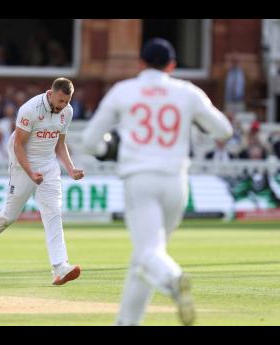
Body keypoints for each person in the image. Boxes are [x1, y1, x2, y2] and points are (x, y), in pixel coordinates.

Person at [82, 38, 233, 326]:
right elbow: (223, 130)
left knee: (149, 252)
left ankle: (173, 279)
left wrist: (107, 149)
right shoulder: (187, 92)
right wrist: (196, 119)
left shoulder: (124, 91)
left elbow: (90, 141)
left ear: (140, 63)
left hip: (139, 178)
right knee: (147, 252)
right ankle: (127, 322)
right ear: (172, 65)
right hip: (176, 181)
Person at [0, 78, 84, 286]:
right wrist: (30, 172)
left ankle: (60, 267)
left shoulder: (67, 112)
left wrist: (70, 168)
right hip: (23, 165)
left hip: (48, 165)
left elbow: (60, 144)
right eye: (60, 101)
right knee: (9, 216)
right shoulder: (30, 109)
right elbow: (18, 146)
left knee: (53, 213)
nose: (62, 106)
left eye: (66, 102)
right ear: (50, 93)